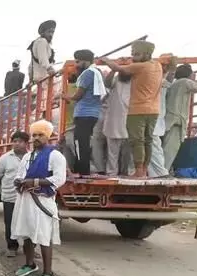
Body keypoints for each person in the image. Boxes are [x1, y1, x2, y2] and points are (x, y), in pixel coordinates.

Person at [11, 120, 67, 276]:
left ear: (47, 137)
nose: (36, 138)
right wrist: (19, 182)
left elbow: (59, 179)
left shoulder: (55, 155)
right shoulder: (28, 156)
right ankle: (30, 264)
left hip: (43, 201)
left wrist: (35, 182)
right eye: (34, 135)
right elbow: (19, 174)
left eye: (40, 135)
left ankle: (48, 273)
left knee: (43, 236)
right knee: (27, 233)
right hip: (25, 201)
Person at [101, 40, 162, 178]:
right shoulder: (156, 65)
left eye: (137, 54)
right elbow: (113, 78)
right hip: (151, 111)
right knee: (147, 140)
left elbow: (119, 69)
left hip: (137, 112)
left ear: (147, 54)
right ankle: (142, 170)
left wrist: (107, 61)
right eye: (132, 54)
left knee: (137, 142)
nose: (133, 57)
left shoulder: (139, 68)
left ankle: (139, 171)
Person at [63, 49, 104, 176]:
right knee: (85, 143)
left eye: (78, 61)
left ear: (85, 61)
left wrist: (63, 96)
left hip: (83, 114)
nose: (76, 64)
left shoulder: (87, 74)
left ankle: (83, 171)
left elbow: (78, 95)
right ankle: (85, 170)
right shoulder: (97, 72)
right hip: (93, 113)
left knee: (80, 144)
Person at [164, 63, 197, 172]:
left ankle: (163, 171)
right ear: (188, 74)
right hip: (176, 122)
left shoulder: (174, 84)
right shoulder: (185, 82)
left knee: (166, 149)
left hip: (170, 122)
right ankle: (161, 174)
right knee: (169, 151)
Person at [0, 131, 30, 257]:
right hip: (10, 197)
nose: (16, 144)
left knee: (29, 223)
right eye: (14, 141)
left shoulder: (32, 157)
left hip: (28, 198)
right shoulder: (5, 158)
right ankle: (12, 247)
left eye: (20, 141)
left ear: (26, 143)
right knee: (10, 223)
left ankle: (29, 248)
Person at [102, 70, 134, 175]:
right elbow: (106, 83)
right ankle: (112, 173)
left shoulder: (135, 82)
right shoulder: (115, 81)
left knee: (128, 153)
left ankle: (128, 173)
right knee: (113, 152)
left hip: (128, 122)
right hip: (114, 123)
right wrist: (114, 69)